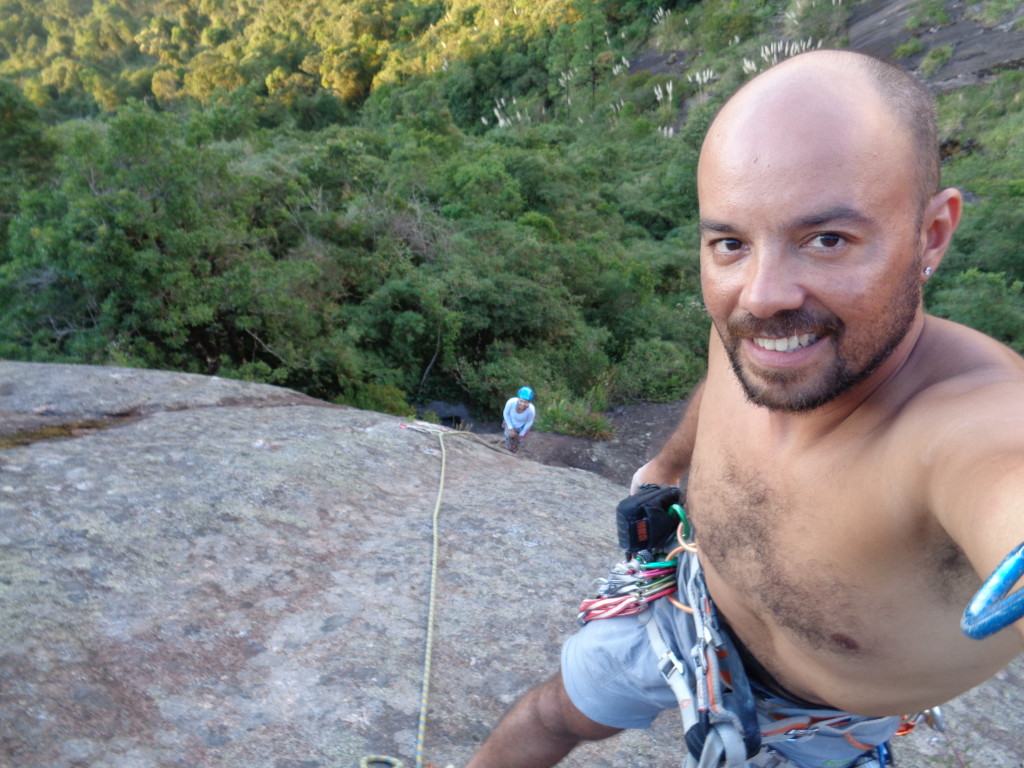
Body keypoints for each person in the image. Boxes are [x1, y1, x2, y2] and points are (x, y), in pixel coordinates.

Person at [466, 49, 1024, 768]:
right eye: (730, 243)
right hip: (687, 603)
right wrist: (664, 470)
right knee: (549, 714)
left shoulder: (969, 419)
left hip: (822, 725)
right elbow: (720, 379)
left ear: (932, 235)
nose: (762, 296)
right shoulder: (755, 330)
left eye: (826, 240)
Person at [503, 387, 536, 453]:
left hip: (522, 426)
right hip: (510, 422)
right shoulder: (511, 402)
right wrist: (510, 428)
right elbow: (506, 414)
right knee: (508, 436)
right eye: (521, 401)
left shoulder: (531, 410)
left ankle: (515, 451)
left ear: (529, 402)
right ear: (518, 399)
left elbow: (529, 422)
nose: (522, 404)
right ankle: (508, 450)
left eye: (526, 402)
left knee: (518, 441)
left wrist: (521, 434)